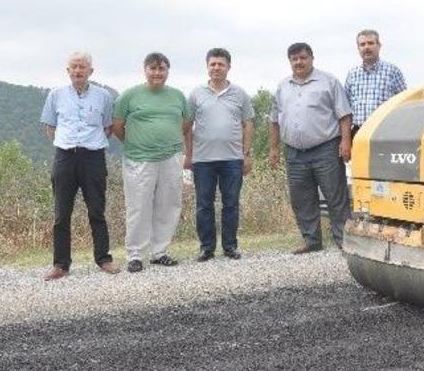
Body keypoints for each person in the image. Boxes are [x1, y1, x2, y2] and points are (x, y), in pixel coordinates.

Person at [39, 52, 119, 280]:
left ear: (90, 71)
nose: (78, 71)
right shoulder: (55, 95)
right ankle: (60, 264)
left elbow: (107, 127)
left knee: (97, 211)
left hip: (93, 157)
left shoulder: (104, 96)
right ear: (68, 70)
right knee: (61, 213)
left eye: (82, 67)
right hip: (65, 157)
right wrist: (67, 144)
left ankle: (104, 259)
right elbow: (50, 128)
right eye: (74, 67)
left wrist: (88, 144)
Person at [269, 42, 353, 252]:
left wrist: (346, 141)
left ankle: (344, 241)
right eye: (294, 59)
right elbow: (274, 120)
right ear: (290, 61)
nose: (299, 62)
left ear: (311, 58)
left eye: (303, 58)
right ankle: (312, 241)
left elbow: (344, 115)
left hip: (326, 149)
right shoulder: (282, 86)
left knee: (335, 196)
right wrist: (273, 148)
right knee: (302, 199)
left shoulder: (329, 82)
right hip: (294, 152)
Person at [112, 52, 189, 273]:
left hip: (171, 156)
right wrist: (136, 142)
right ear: (145, 70)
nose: (157, 73)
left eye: (161, 69)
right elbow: (117, 126)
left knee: (169, 204)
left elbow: (185, 124)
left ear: (167, 71)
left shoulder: (178, 96)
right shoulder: (129, 96)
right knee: (138, 206)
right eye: (153, 69)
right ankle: (135, 255)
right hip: (139, 158)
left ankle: (159, 252)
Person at [185, 48, 255, 262]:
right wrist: (188, 155)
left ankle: (230, 246)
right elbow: (187, 126)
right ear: (207, 67)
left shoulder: (240, 94)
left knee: (231, 204)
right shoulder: (196, 94)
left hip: (232, 159)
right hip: (202, 160)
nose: (216, 68)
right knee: (204, 205)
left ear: (228, 67)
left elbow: (248, 124)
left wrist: (246, 154)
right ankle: (206, 248)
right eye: (212, 64)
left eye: (220, 64)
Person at [345, 29, 407, 135]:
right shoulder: (352, 74)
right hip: (358, 132)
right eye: (362, 44)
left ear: (379, 46)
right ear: (358, 48)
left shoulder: (392, 71)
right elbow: (346, 108)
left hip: (385, 132)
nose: (366, 47)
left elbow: (404, 103)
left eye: (370, 43)